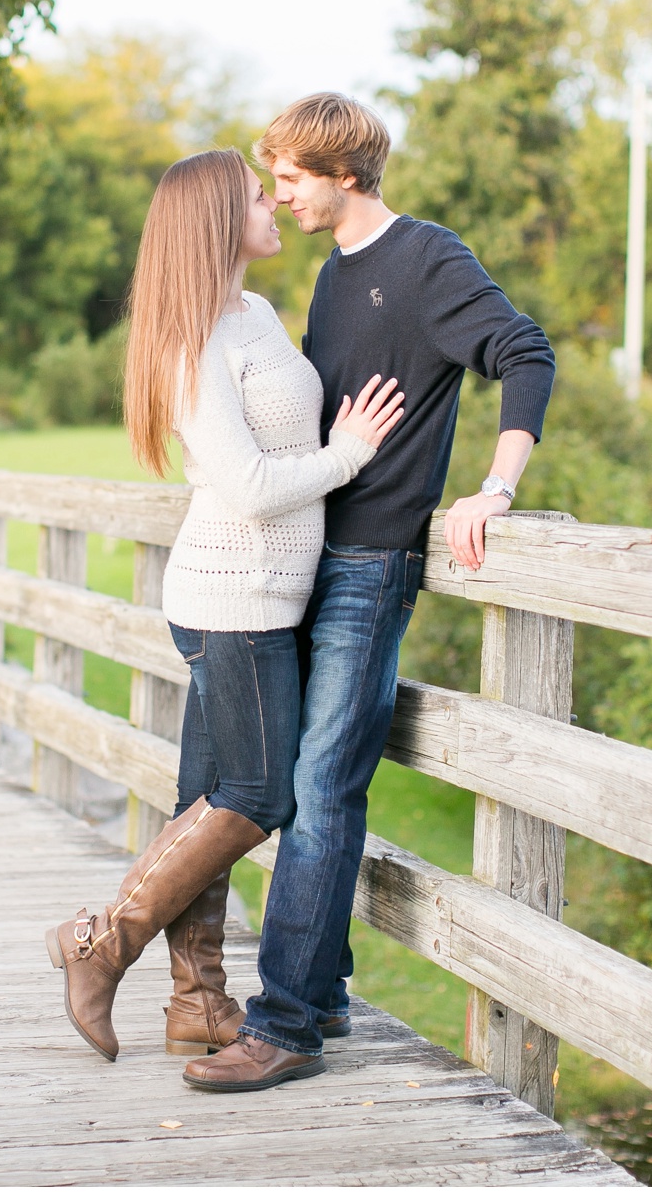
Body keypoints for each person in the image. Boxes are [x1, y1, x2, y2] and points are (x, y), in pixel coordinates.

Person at [184, 94, 556, 1092]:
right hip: (303, 560)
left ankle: (289, 1023)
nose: (278, 194)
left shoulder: (428, 259)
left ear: (343, 173)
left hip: (368, 566)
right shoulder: (329, 273)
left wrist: (495, 485)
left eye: (292, 177)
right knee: (282, 786)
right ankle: (329, 989)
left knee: (317, 791)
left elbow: (524, 352)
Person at [45, 146, 406, 1064]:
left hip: (267, 596)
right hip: (232, 595)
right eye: (258, 195)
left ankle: (198, 1004)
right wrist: (351, 452)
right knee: (255, 794)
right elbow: (246, 485)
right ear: (217, 219)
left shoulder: (255, 313)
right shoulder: (191, 338)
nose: (275, 203)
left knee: (203, 799)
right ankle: (102, 942)